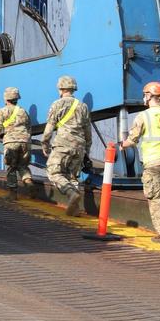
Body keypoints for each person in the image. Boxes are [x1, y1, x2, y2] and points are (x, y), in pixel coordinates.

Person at [120, 81, 160, 245]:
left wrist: (120, 145)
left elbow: (132, 140)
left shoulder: (144, 116)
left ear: (148, 96)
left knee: (155, 198)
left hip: (154, 162)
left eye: (145, 94)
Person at [41, 75, 91, 216]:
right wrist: (87, 150)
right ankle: (75, 209)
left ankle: (70, 193)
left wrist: (45, 144)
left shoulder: (57, 104)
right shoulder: (83, 106)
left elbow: (49, 130)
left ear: (61, 89)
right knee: (73, 177)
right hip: (79, 146)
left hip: (63, 144)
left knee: (53, 172)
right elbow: (88, 131)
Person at [0, 87, 32, 201]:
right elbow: (29, 127)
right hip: (25, 141)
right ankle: (28, 181)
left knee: (11, 167)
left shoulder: (3, 111)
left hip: (11, 142)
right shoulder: (23, 111)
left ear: (6, 99)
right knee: (23, 165)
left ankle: (12, 194)